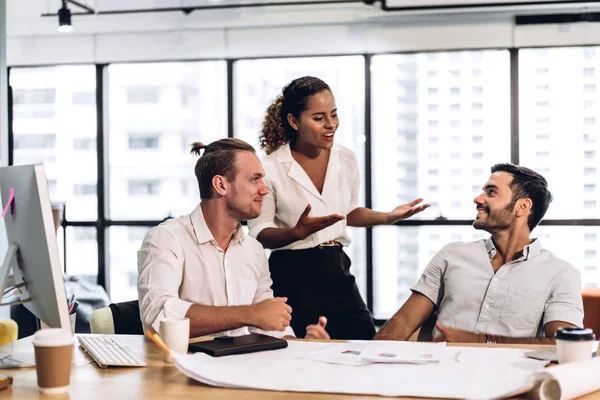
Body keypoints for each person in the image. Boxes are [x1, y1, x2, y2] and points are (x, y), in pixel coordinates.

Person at [248, 76, 429, 340]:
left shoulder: (345, 158)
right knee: (299, 354)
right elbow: (260, 232)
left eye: (334, 115)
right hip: (291, 273)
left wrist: (388, 217)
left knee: (364, 345)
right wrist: (297, 232)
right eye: (319, 118)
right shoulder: (272, 167)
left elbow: (348, 212)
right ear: (294, 121)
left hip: (336, 267)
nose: (331, 124)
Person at [137, 138, 329, 339]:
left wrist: (302, 346)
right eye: (255, 179)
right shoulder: (166, 238)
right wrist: (249, 314)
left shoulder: (254, 250)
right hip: (182, 368)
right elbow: (156, 318)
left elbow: (271, 326)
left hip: (239, 368)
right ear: (220, 185)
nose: (264, 189)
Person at [375, 163, 584, 344]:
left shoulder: (561, 274)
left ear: (522, 207)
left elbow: (565, 344)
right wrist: (368, 364)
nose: (478, 199)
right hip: (438, 374)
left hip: (510, 382)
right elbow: (402, 323)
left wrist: (483, 341)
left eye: (491, 192)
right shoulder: (452, 255)